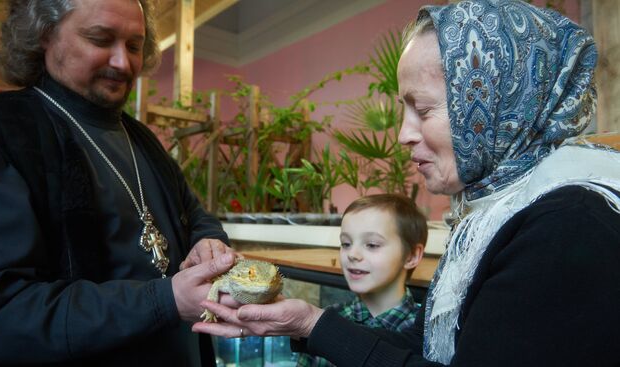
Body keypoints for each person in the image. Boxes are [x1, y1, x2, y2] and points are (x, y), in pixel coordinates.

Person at [193, 1, 620, 366]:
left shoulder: (567, 225)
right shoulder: (496, 210)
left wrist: (313, 323)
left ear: (491, 102)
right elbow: (429, 350)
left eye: (423, 109)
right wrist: (307, 321)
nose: (403, 134)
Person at [0, 0, 238, 365]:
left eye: (133, 46)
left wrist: (209, 242)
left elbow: (194, 215)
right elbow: (0, 313)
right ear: (44, 34)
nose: (122, 63)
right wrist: (164, 300)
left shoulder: (141, 138)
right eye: (100, 39)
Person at [296, 194, 426, 367]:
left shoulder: (427, 333)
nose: (352, 254)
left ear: (411, 255)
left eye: (372, 245)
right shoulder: (327, 319)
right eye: (346, 244)